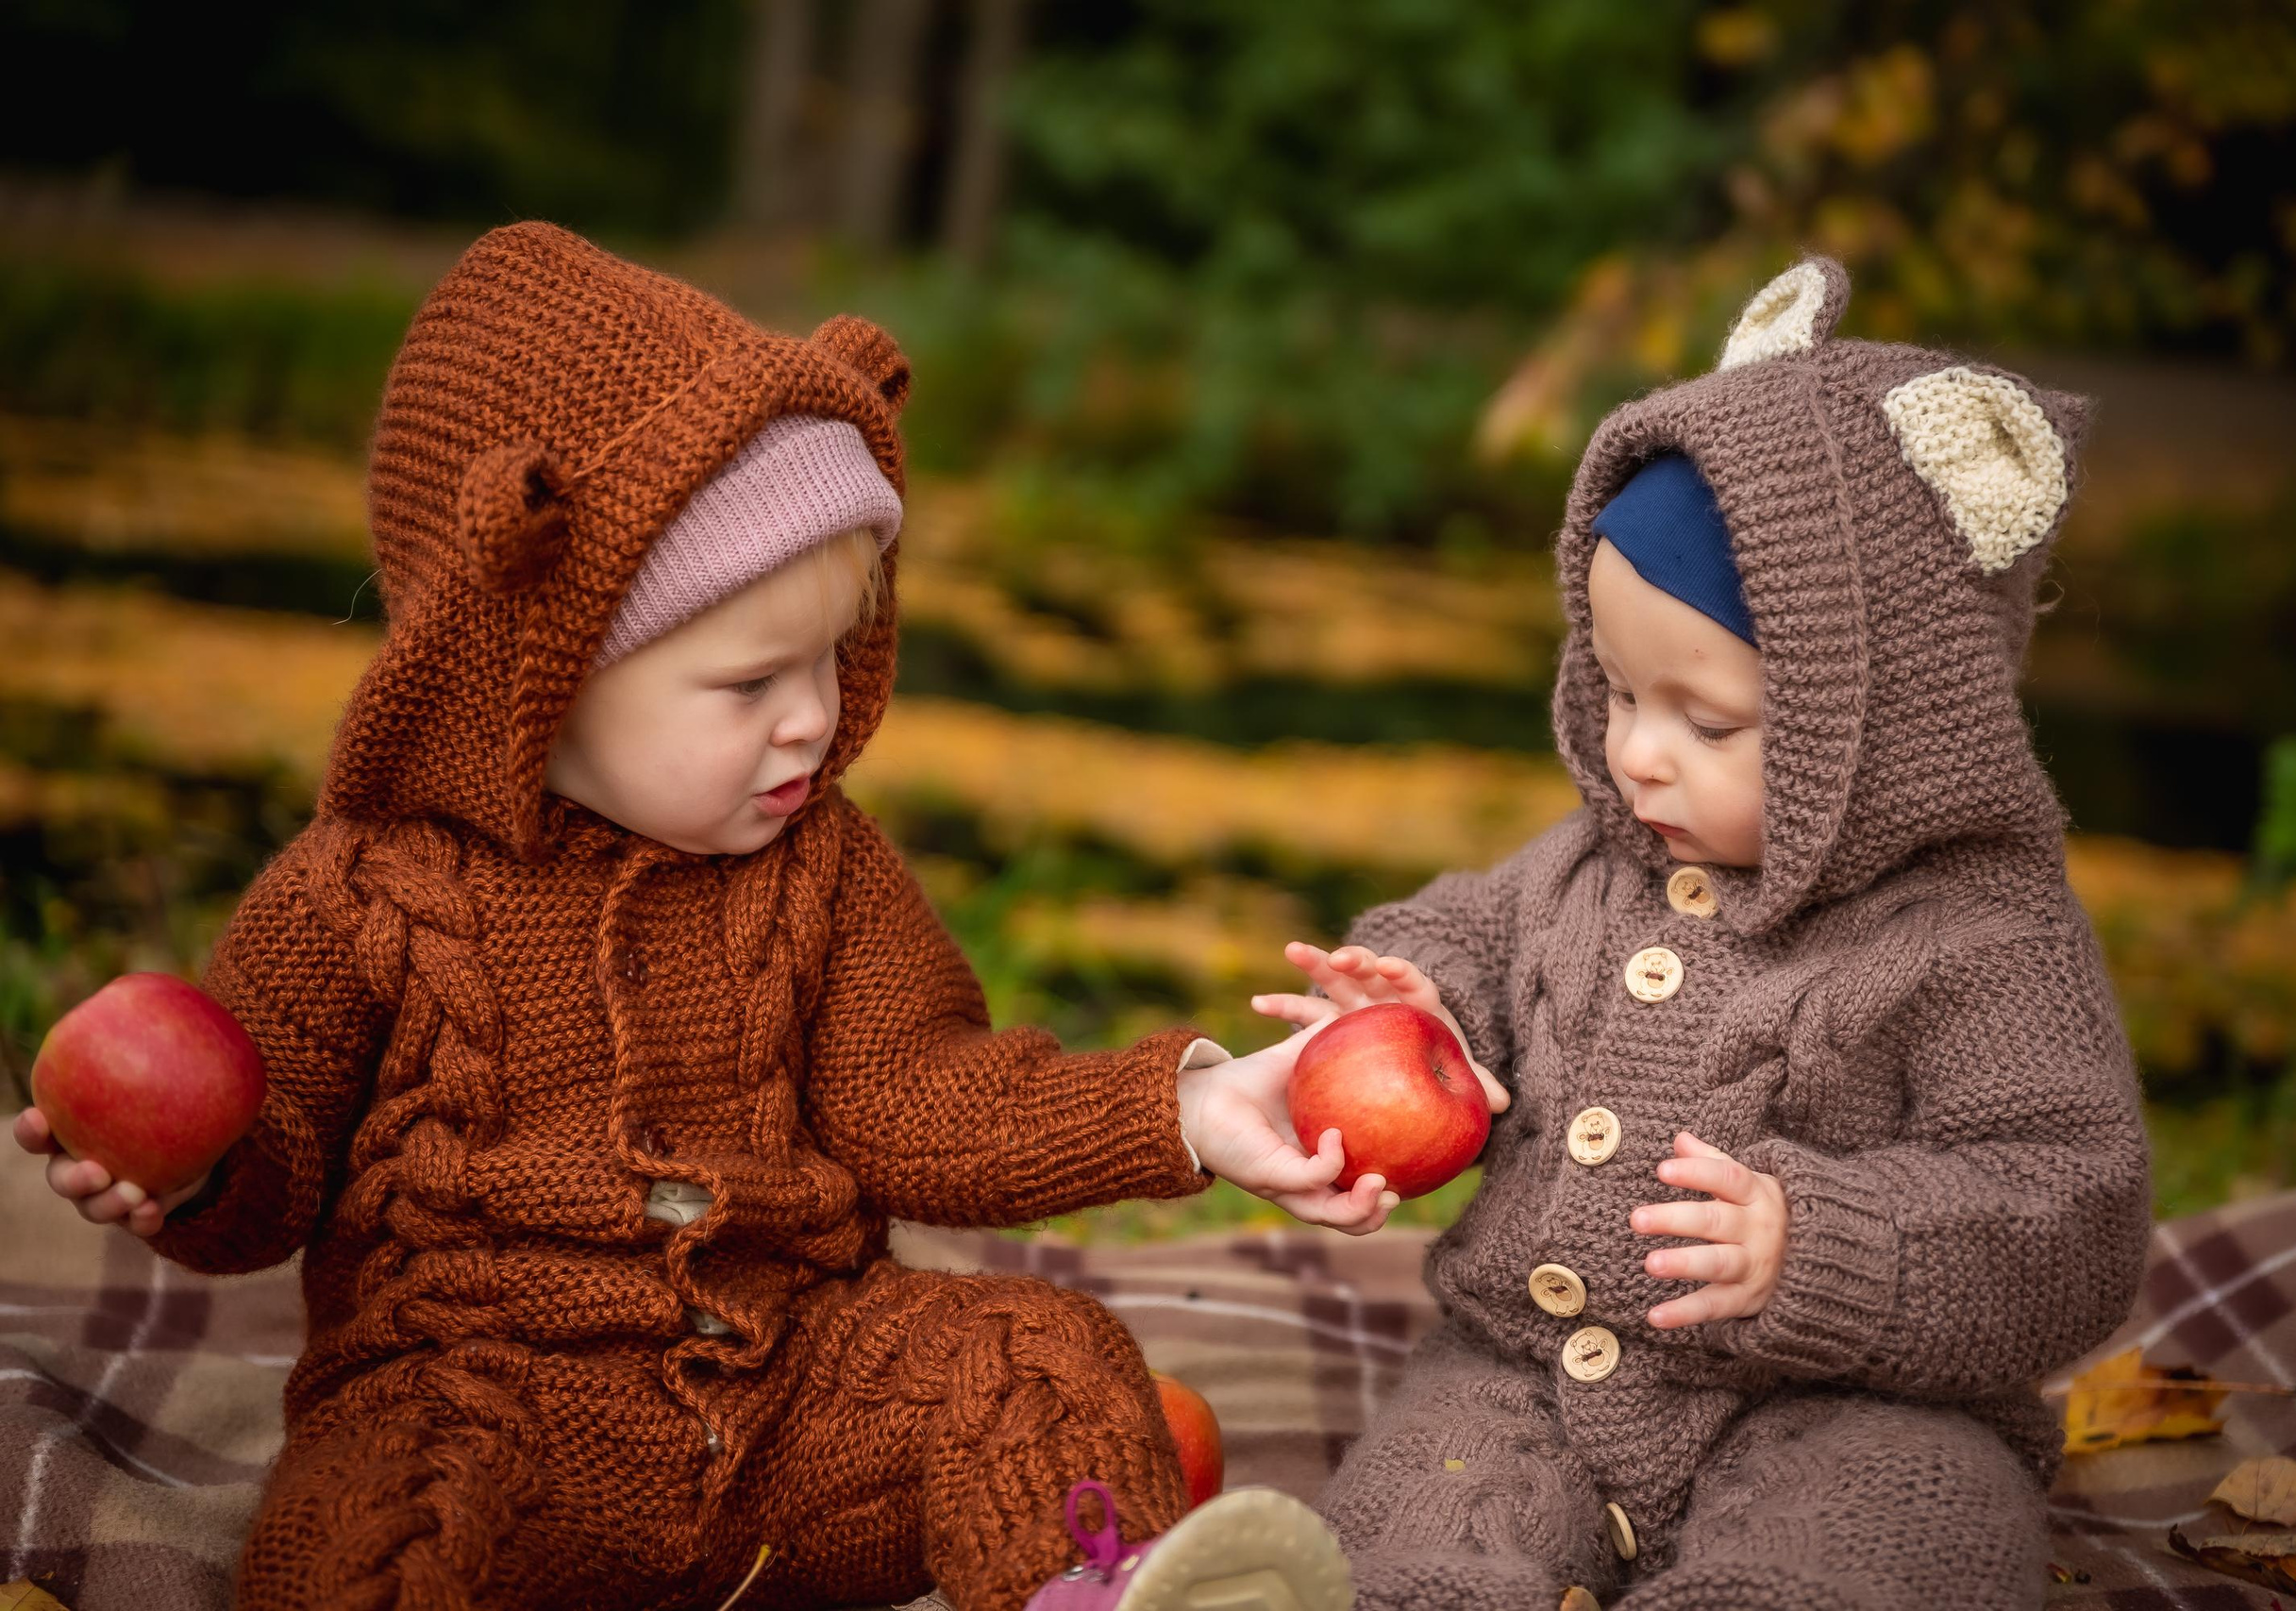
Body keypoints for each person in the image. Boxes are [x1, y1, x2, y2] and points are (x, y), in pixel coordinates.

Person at [10, 222, 1383, 1611]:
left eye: (833, 659)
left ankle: (1094, 1590)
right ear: (534, 679)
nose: (814, 716)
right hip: (476, 1405)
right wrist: (188, 1175)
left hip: (794, 1401)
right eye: (747, 684)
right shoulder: (367, 888)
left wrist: (1186, 1113)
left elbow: (924, 1097)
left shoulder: (824, 872)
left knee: (1033, 1355)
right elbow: (276, 1145)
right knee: (368, 1537)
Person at [1253, 259, 2153, 1610]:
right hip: (1529, 1376)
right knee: (1401, 1526)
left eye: (1707, 723)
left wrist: (1826, 1244)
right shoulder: (1594, 864)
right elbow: (1472, 929)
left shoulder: (1985, 939)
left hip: (1847, 1405)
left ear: (1889, 728)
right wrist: (1421, 1002)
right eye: (1614, 690)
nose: (1636, 759)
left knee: (1907, 1533)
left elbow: (2070, 1210)